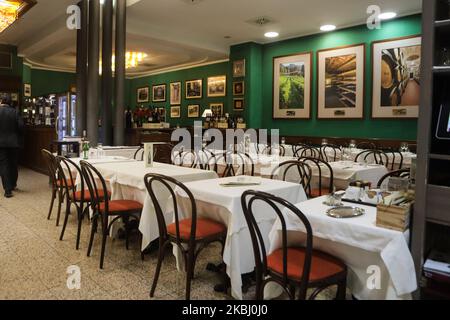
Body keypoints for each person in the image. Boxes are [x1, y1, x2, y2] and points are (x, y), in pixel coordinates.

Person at [0, 97, 23, 198]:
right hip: (14, 142)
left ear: (2, 102)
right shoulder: (15, 112)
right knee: (13, 164)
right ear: (10, 103)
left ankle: (7, 190)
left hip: (1, 143)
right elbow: (21, 126)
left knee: (4, 164)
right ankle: (13, 184)